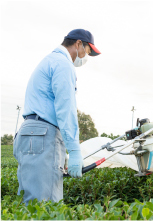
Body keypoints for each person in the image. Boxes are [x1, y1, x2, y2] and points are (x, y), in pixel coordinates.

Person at [13, 29, 101, 203]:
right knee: (46, 205)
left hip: (29, 133)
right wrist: (74, 150)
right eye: (88, 51)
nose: (86, 58)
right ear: (78, 44)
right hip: (43, 135)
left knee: (29, 204)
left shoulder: (49, 60)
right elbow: (65, 108)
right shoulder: (63, 64)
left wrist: (61, 150)